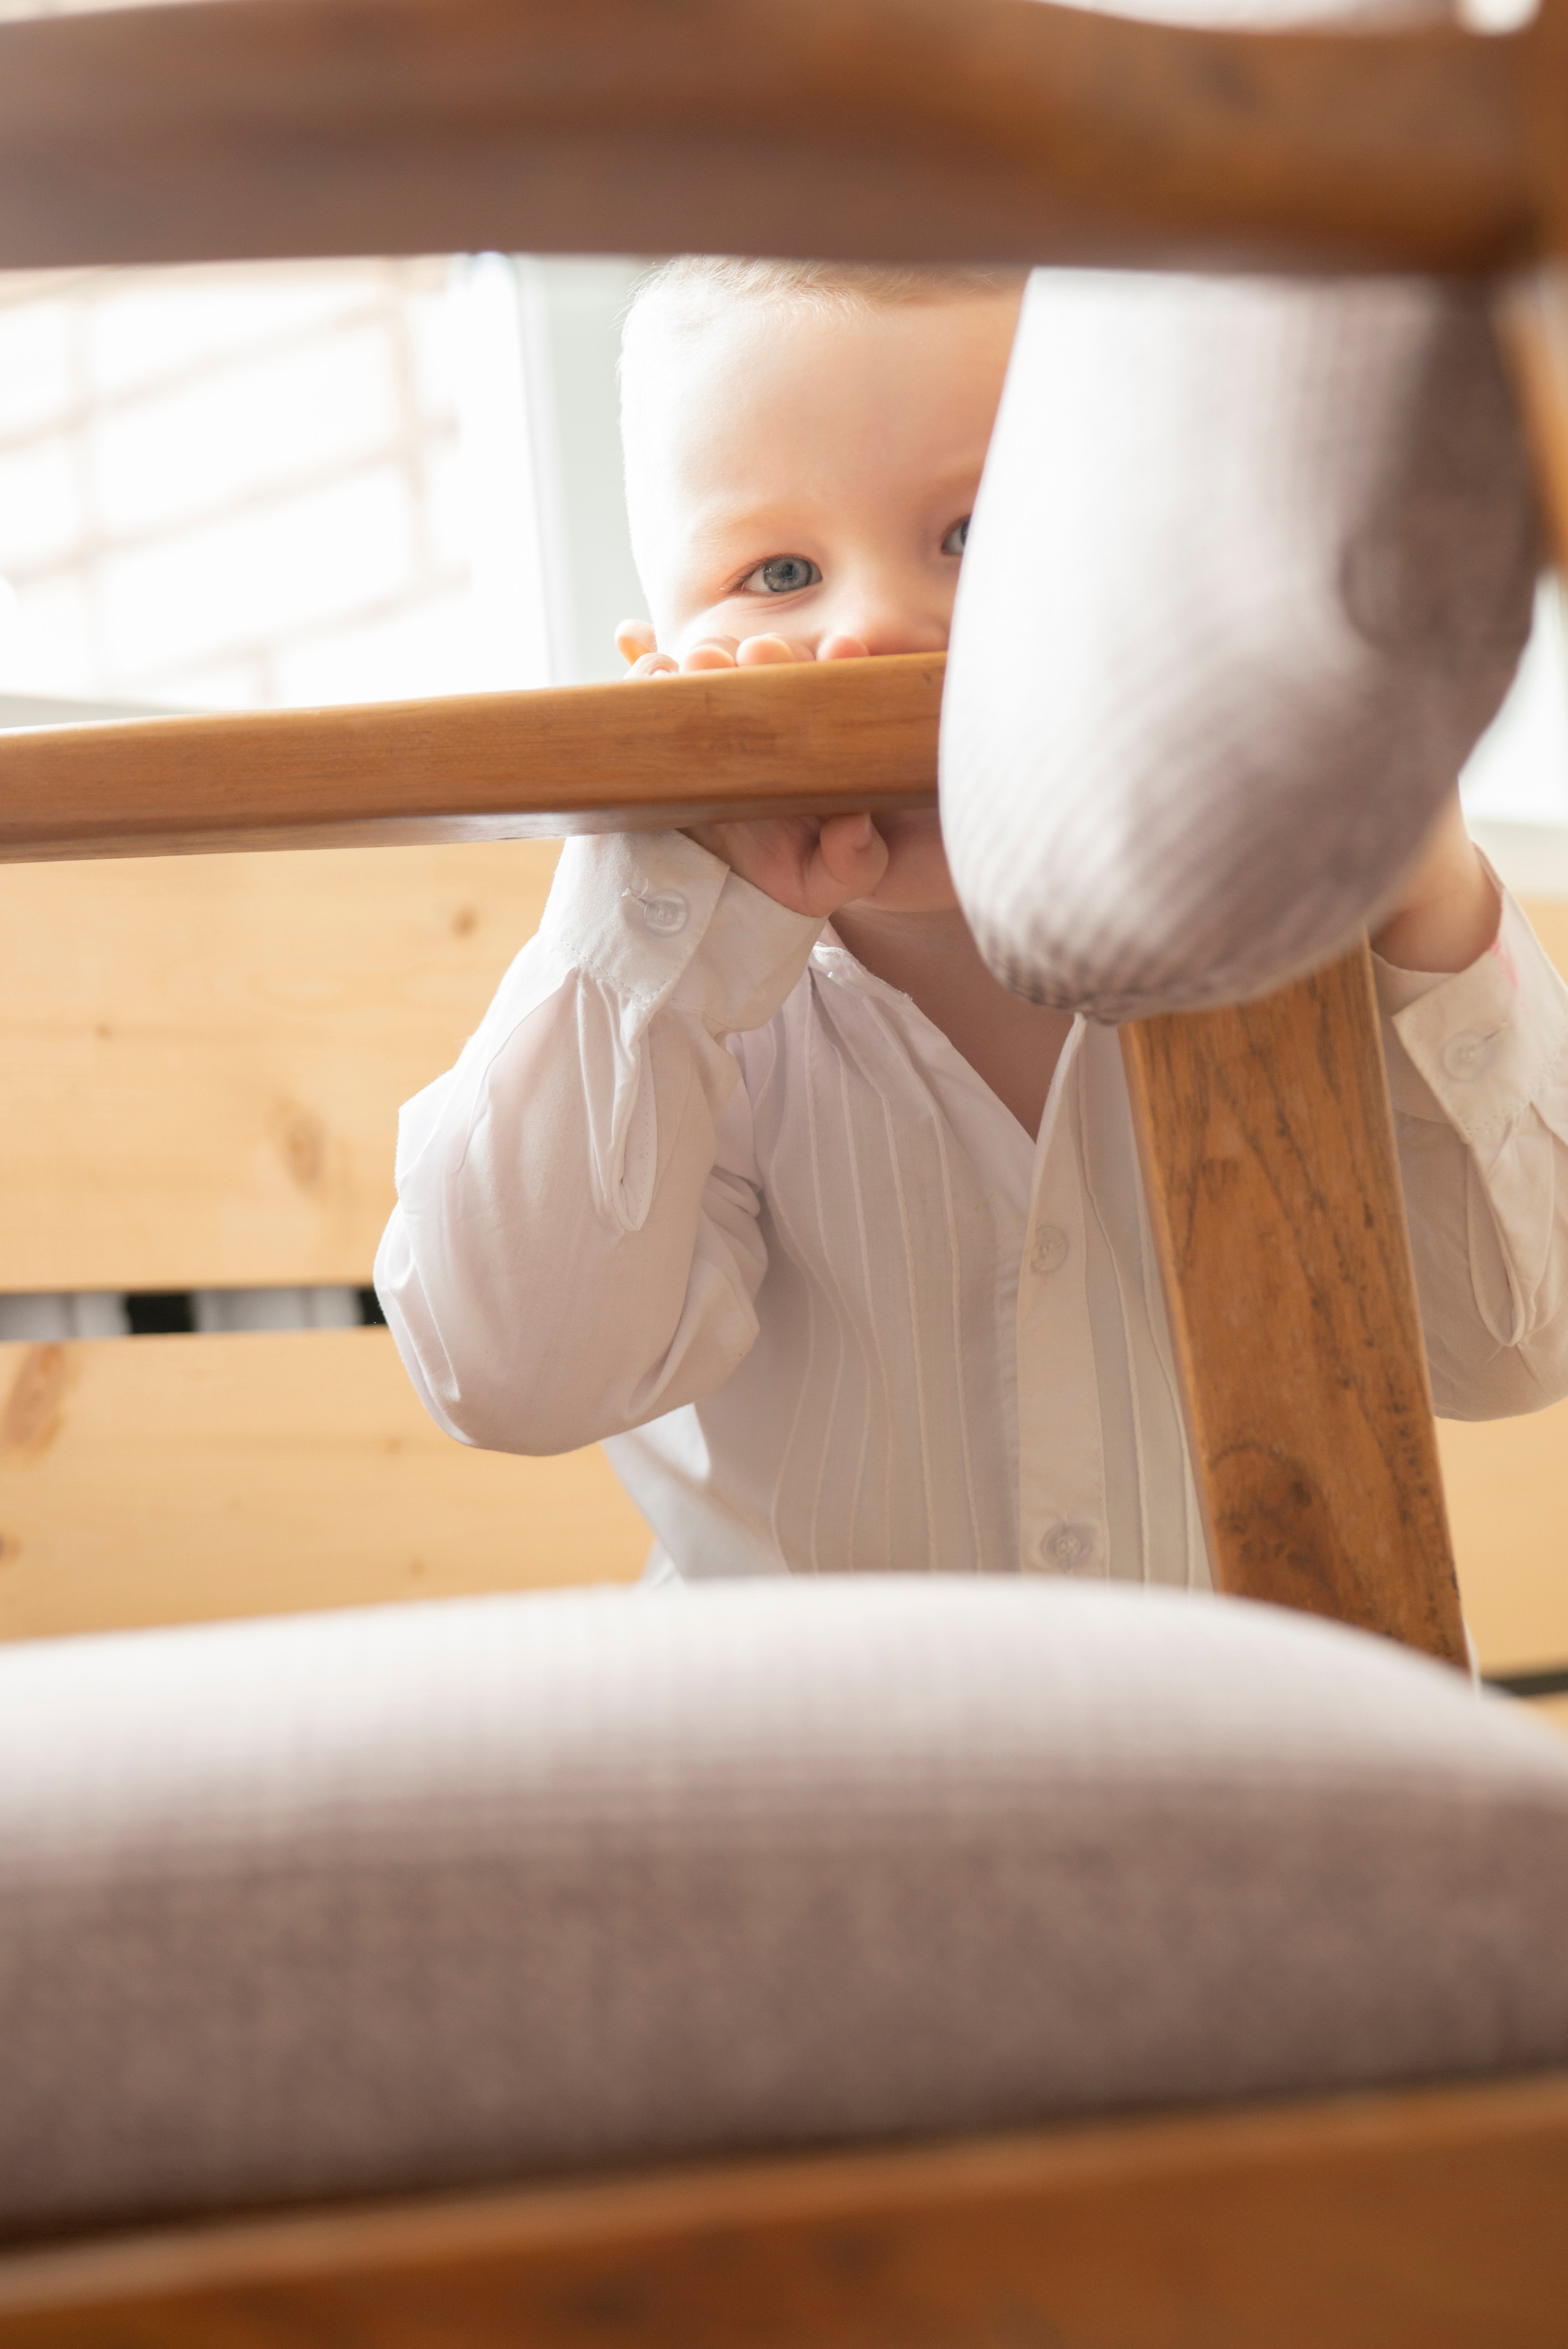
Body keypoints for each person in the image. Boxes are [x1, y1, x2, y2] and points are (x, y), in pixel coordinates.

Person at [375, 258, 1568, 1589]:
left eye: (973, 539)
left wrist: (1417, 881)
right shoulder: (675, 1015)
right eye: (776, 572)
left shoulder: (1291, 918)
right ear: (655, 666)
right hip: (817, 1772)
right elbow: (516, 1376)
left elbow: (1514, 1348)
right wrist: (653, 907)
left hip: (1259, 1766)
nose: (870, 631)